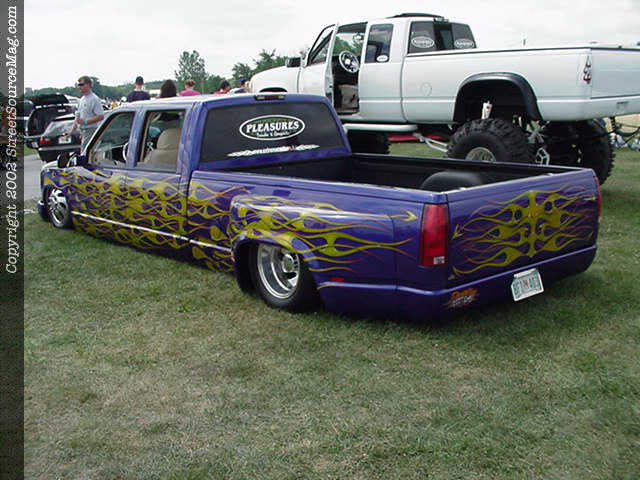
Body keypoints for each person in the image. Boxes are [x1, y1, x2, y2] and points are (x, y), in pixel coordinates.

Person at [67, 76, 105, 151]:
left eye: (81, 84)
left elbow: (100, 116)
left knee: (85, 152)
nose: (79, 87)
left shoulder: (94, 99)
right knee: (83, 151)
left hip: (91, 130)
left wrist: (85, 121)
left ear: (88, 85)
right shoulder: (82, 99)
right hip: (82, 131)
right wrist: (71, 131)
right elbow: (77, 117)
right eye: (78, 85)